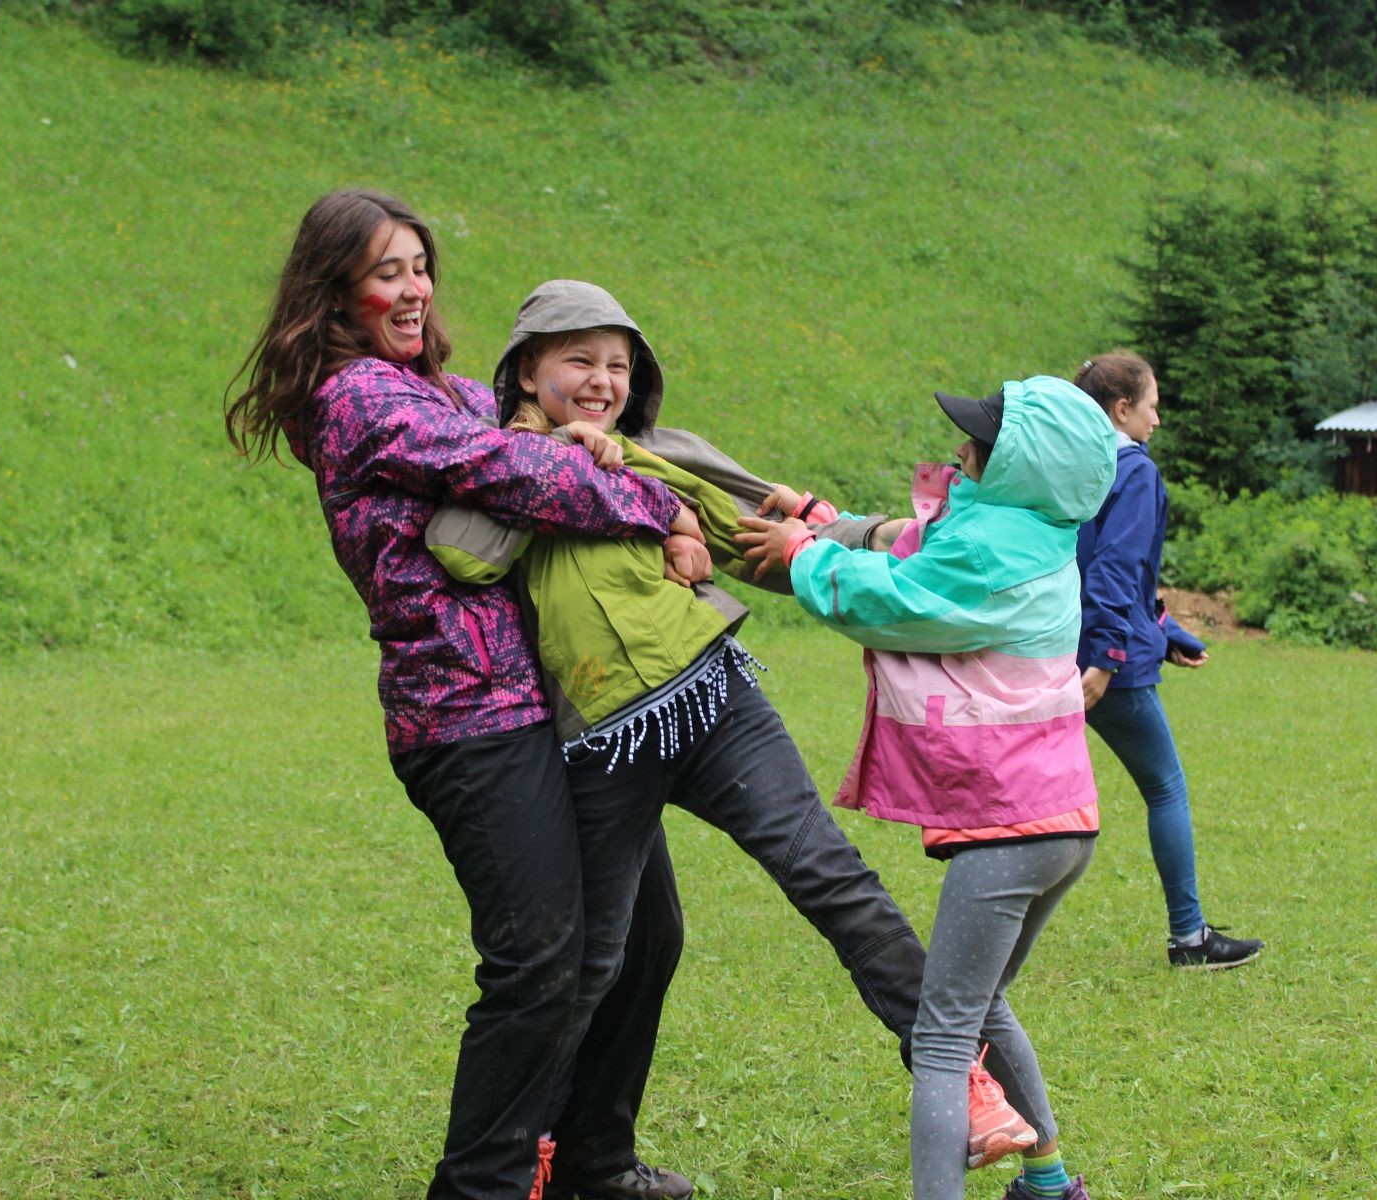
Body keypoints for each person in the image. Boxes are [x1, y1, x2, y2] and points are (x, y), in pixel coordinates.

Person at [425, 281, 1036, 1191]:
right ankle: (538, 1151)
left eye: (619, 365)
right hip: (602, 742)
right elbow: (461, 552)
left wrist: (897, 549)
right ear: (526, 370)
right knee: (592, 963)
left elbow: (763, 538)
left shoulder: (659, 452)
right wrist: (556, 464)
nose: (602, 382)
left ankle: (962, 1078)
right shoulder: (500, 461)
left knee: (830, 876)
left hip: (715, 699)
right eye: (579, 361)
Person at [224, 191, 702, 1200]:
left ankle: (593, 1162)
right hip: (466, 716)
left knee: (647, 932)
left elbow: (557, 429)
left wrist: (644, 471)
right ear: (335, 290)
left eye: (419, 267)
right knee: (536, 958)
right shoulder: (357, 398)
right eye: (384, 272)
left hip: (561, 703)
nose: (412, 289)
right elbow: (521, 471)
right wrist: (659, 504)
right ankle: (481, 1184)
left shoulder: (442, 388)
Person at [738, 375, 1118, 1200]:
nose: (959, 451)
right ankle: (1049, 1184)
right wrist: (818, 519)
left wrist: (804, 556)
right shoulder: (1030, 528)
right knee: (981, 1006)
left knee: (942, 1038)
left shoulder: (986, 551)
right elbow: (917, 541)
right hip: (1062, 825)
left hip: (1010, 828)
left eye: (978, 445)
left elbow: (895, 596)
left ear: (1019, 468)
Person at [1072, 352, 1264, 970]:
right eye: (1152, 406)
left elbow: (1105, 569)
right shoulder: (1134, 472)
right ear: (1122, 408)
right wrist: (1109, 656)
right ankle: (1189, 938)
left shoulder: (1070, 465)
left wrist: (1167, 632)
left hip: (1055, 649)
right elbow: (1114, 568)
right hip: (1105, 665)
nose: (1158, 419)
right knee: (1165, 787)